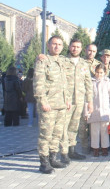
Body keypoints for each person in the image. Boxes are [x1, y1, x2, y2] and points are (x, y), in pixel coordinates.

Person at [33, 35, 70, 174]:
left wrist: (67, 100)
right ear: (48, 45)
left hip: (61, 105)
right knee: (46, 135)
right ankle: (44, 162)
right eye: (54, 44)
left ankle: (53, 158)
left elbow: (64, 84)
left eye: (60, 44)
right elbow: (38, 84)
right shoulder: (43, 61)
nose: (57, 47)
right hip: (48, 106)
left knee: (57, 134)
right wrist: (43, 101)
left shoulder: (61, 61)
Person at [59, 39, 94, 164]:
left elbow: (88, 83)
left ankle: (72, 150)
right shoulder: (62, 61)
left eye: (78, 47)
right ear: (69, 47)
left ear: (81, 49)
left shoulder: (84, 64)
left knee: (74, 127)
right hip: (66, 101)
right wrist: (41, 56)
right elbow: (49, 60)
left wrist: (90, 101)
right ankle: (64, 153)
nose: (75, 49)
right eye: (73, 46)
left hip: (79, 100)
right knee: (64, 127)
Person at [87, 64, 110, 157]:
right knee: (94, 131)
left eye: (101, 72)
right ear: (94, 72)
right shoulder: (90, 82)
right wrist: (86, 112)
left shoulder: (108, 82)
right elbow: (87, 98)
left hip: (105, 111)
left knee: (104, 131)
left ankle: (104, 148)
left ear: (104, 73)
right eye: (97, 72)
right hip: (94, 110)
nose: (99, 74)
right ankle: (95, 148)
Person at [80, 43, 102, 154]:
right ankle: (84, 147)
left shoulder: (99, 64)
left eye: (94, 51)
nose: (91, 53)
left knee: (94, 124)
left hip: (96, 98)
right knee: (84, 125)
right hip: (82, 96)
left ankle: (95, 146)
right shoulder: (80, 62)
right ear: (85, 50)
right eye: (89, 50)